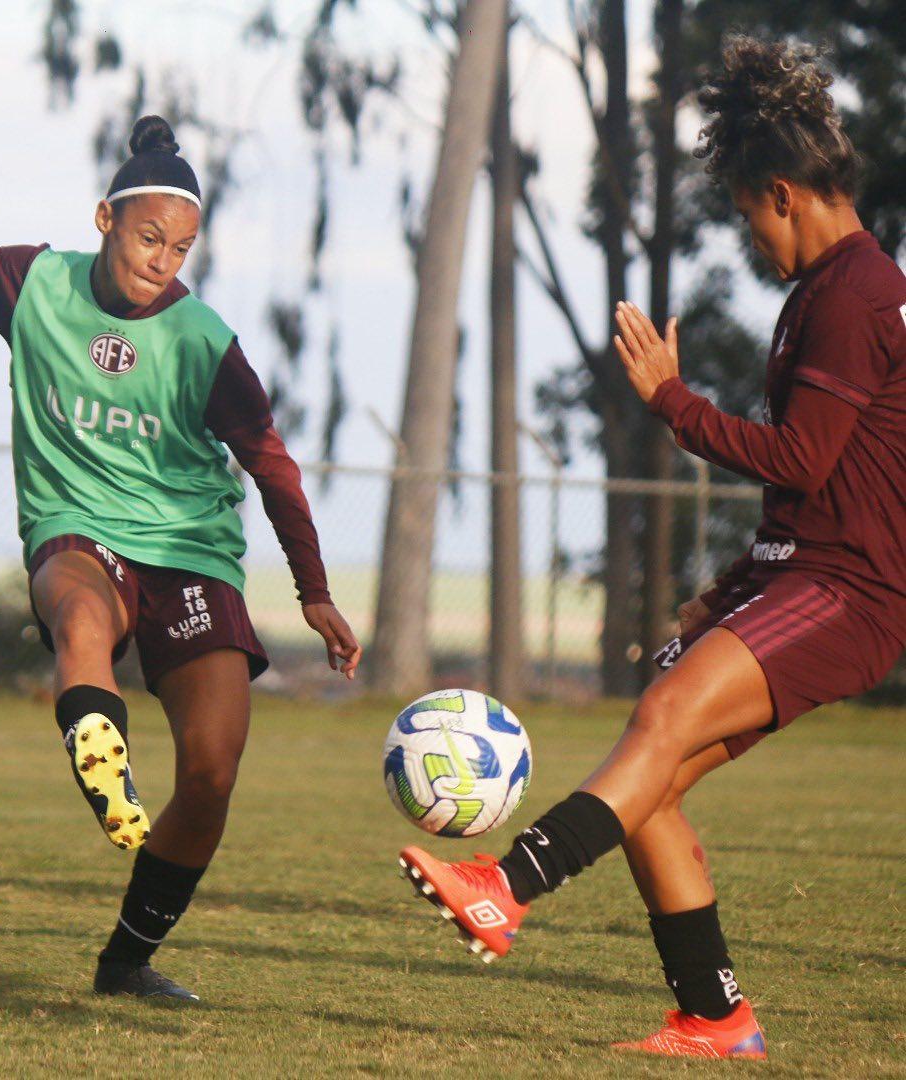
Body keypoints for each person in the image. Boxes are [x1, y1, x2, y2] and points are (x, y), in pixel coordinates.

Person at [397, 36, 904, 1060]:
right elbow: (820, 488)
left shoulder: (854, 293)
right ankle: (715, 1018)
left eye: (749, 217)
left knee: (662, 717)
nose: (752, 238)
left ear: (784, 195)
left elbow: (802, 459)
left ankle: (505, 885)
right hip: (808, 573)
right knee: (654, 776)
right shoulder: (827, 290)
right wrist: (734, 586)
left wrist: (673, 403)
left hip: (851, 592)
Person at [0, 115, 361, 1002]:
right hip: (77, 527)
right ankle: (98, 743)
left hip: (188, 551)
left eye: (180, 248)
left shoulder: (203, 340)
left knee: (211, 772)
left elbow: (272, 465)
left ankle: (126, 961)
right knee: (80, 613)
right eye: (148, 238)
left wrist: (314, 592)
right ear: (106, 219)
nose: (162, 261)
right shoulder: (33, 282)